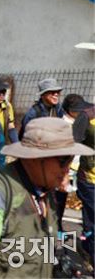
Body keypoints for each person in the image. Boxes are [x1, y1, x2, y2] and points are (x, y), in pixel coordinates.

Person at [0, 118, 95, 278]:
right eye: (62, 161)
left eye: (70, 159)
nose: (68, 169)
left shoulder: (46, 190)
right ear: (34, 159)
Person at [20, 77, 67, 236]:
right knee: (37, 198)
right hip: (36, 161)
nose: (56, 95)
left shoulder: (58, 109)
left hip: (52, 158)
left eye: (58, 92)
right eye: (52, 92)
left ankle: (55, 227)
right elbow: (25, 139)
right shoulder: (33, 113)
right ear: (43, 95)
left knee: (57, 196)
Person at [62, 94, 95, 266]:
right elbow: (73, 146)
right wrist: (64, 172)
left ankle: (87, 247)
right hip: (90, 179)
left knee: (91, 220)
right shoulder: (87, 116)